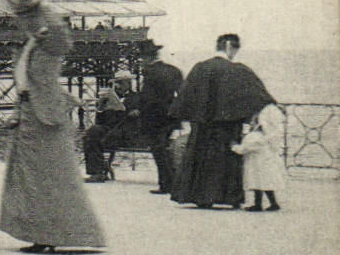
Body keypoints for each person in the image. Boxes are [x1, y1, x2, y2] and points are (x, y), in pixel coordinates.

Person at [0, 0, 106, 254]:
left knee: (39, 176)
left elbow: (28, 81)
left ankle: (46, 234)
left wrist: (32, 45)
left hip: (40, 114)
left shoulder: (43, 45)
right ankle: (47, 233)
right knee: (42, 176)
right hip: (40, 112)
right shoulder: (40, 42)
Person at [171, 34, 272, 209]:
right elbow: (257, 96)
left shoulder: (200, 68)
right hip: (227, 127)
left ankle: (201, 197)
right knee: (225, 161)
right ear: (230, 48)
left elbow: (184, 98)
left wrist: (194, 116)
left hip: (202, 126)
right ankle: (229, 197)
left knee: (200, 159)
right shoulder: (238, 70)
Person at [134, 40, 184, 194]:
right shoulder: (174, 70)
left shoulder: (150, 72)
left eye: (141, 58)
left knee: (159, 152)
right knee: (167, 151)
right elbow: (182, 94)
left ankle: (166, 184)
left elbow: (148, 98)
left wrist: (141, 113)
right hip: (172, 117)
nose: (141, 62)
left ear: (147, 57)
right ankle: (173, 183)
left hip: (154, 119)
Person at [81, 70, 139, 182]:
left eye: (122, 83)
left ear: (128, 83)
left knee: (99, 136)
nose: (118, 86)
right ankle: (97, 172)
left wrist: (136, 113)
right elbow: (100, 122)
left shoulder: (136, 98)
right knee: (92, 132)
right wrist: (101, 108)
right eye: (117, 83)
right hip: (110, 129)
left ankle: (101, 169)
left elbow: (142, 117)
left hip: (126, 131)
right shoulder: (109, 98)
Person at [232, 98, 286, 212]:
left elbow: (244, 149)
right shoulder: (263, 138)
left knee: (257, 184)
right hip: (266, 161)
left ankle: (258, 204)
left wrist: (234, 147)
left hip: (255, 164)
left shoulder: (253, 137)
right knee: (266, 185)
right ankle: (273, 203)